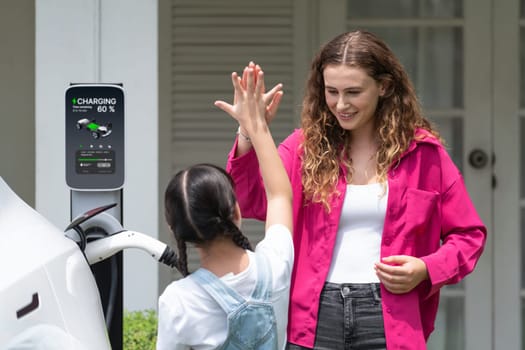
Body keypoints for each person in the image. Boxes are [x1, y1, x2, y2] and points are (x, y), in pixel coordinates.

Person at [226, 31, 487, 349]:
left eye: (353, 92)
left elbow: (469, 236)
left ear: (384, 86)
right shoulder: (303, 149)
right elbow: (250, 200)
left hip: (390, 316)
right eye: (331, 91)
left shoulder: (424, 155)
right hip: (312, 313)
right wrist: (248, 132)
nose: (341, 104)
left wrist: (425, 269)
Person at [157, 66, 293, 349]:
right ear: (236, 211)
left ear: (175, 229)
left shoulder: (179, 301)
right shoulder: (276, 265)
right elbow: (279, 195)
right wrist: (255, 127)